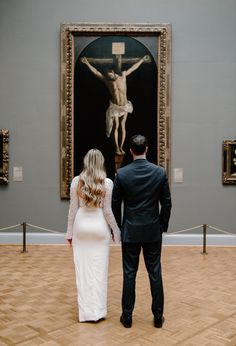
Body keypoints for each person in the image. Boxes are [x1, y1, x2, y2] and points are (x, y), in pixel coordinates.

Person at [112, 134, 172, 328]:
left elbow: (115, 204)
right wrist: (162, 225)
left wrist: (120, 227)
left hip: (130, 231)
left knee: (129, 274)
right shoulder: (159, 172)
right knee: (155, 272)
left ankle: (127, 317)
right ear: (147, 149)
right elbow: (167, 203)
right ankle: (157, 316)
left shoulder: (122, 174)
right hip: (152, 230)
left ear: (130, 151)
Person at [66, 148, 120, 323]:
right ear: (101, 163)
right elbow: (107, 211)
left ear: (86, 162)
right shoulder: (108, 183)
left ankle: (86, 314)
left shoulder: (76, 181)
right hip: (99, 227)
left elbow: (72, 210)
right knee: (99, 271)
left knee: (83, 271)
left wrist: (69, 233)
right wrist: (116, 231)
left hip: (81, 227)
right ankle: (98, 312)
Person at [81, 55, 150, 155]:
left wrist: (142, 60)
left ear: (113, 72)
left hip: (125, 105)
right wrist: (87, 62)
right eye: (108, 76)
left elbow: (133, 68)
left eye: (111, 75)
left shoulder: (123, 76)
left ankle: (121, 147)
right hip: (115, 106)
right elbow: (96, 72)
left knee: (122, 125)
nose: (110, 77)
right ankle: (117, 148)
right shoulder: (107, 81)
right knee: (116, 126)